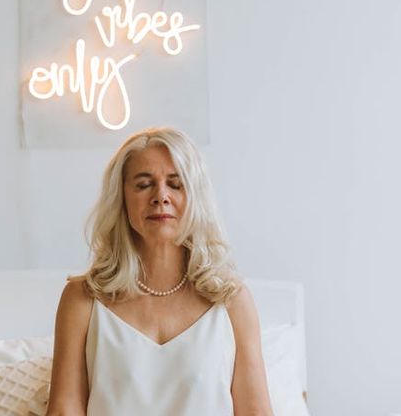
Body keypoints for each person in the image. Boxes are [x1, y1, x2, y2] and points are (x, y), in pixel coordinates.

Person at [46, 127, 273, 416]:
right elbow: (64, 411)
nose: (161, 196)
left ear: (195, 197)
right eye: (143, 185)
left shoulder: (232, 301)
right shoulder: (80, 300)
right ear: (122, 198)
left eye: (175, 184)